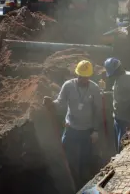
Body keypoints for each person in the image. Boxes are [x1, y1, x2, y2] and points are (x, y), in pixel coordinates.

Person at [43, 60, 102, 188]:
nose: (83, 79)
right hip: (71, 128)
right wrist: (52, 104)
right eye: (81, 76)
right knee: (64, 153)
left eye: (86, 77)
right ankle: (66, 179)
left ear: (89, 76)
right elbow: (60, 102)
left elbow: (98, 110)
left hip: (87, 131)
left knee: (85, 158)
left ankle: (83, 183)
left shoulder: (94, 88)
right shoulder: (68, 86)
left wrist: (95, 130)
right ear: (76, 74)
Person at [104, 58, 130, 153]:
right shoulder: (119, 78)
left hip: (125, 119)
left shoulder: (129, 77)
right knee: (118, 145)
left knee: (123, 146)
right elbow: (119, 94)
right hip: (117, 118)